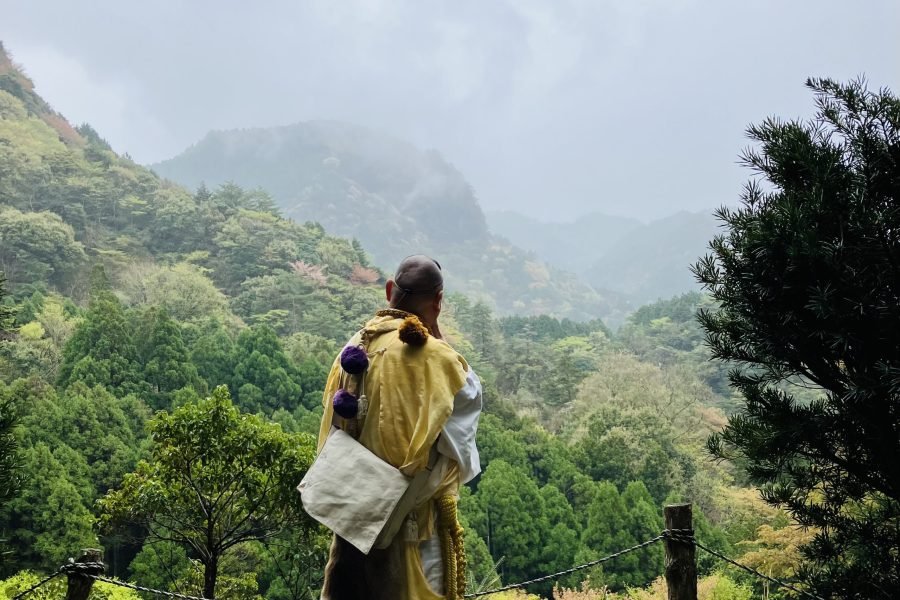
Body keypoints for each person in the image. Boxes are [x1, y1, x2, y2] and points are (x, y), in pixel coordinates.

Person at [317, 255, 483, 600]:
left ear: (390, 290)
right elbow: (460, 440)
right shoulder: (439, 360)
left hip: (352, 516)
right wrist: (438, 337)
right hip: (412, 526)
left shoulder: (353, 347)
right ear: (437, 302)